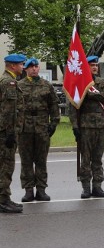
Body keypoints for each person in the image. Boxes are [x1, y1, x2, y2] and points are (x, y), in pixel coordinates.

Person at [18, 58, 60, 202]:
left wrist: (54, 123)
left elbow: (54, 106)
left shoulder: (46, 85)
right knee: (26, 160)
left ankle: (41, 190)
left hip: (42, 127)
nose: (34, 69)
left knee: (41, 160)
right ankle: (28, 190)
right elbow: (14, 108)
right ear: (26, 69)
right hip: (25, 128)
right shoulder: (19, 86)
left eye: (36, 66)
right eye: (31, 67)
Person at [69, 55, 104, 199]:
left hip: (101, 126)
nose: (94, 67)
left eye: (96, 65)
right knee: (85, 159)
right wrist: (75, 126)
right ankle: (86, 187)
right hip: (85, 126)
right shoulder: (79, 83)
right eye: (91, 65)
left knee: (97, 158)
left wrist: (89, 93)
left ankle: (97, 186)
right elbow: (73, 107)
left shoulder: (102, 82)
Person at [0, 53, 26, 213]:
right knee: (6, 166)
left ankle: (4, 198)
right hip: (5, 133)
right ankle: (3, 200)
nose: (23, 67)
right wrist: (10, 133)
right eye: (21, 64)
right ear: (12, 66)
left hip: (6, 130)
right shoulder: (8, 82)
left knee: (5, 165)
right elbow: (9, 111)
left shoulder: (9, 81)